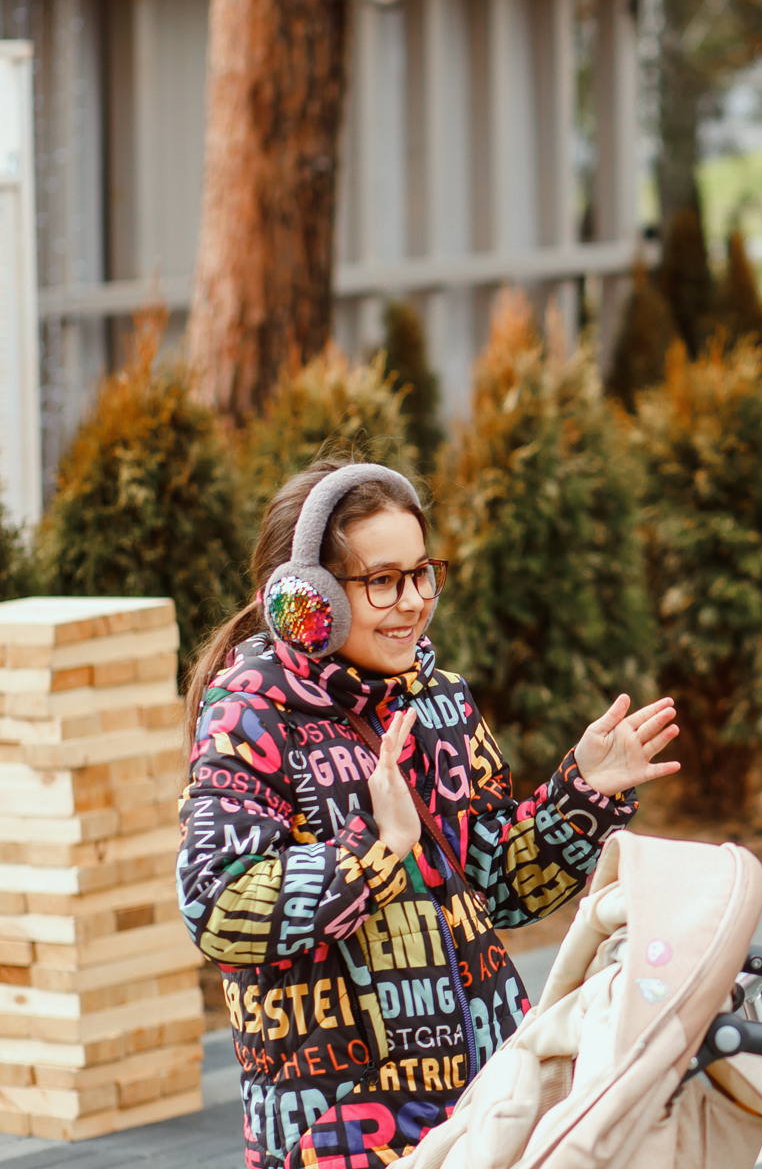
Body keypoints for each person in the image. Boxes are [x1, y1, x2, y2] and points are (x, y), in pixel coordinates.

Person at [176, 462, 680, 1169]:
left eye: (422, 573)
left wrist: (583, 794)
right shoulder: (252, 713)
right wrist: (376, 853)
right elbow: (217, 904)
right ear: (306, 600)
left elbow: (497, 882)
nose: (412, 600)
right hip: (344, 1130)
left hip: (488, 1100)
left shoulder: (439, 698)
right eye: (382, 580)